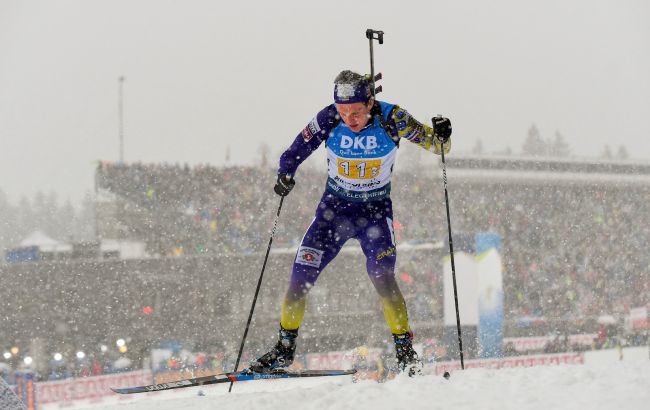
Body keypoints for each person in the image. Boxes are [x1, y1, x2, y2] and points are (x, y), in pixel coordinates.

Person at [250, 70, 452, 376]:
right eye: (344, 112)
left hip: (374, 212)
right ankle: (283, 350)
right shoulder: (329, 117)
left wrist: (443, 135)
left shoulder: (392, 117)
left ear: (370, 102)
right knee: (299, 278)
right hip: (334, 212)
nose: (350, 119)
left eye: (356, 112)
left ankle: (405, 351)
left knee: (382, 275)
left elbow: (437, 147)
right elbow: (297, 148)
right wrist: (285, 171)